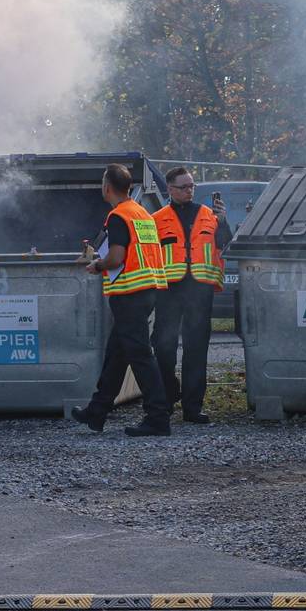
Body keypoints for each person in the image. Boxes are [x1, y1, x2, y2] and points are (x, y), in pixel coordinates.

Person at [73, 163, 173, 436]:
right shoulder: (142, 213)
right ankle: (97, 411)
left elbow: (116, 257)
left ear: (107, 187)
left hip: (129, 293)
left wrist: (97, 265)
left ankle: (158, 417)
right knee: (117, 354)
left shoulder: (118, 216)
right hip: (148, 290)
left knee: (140, 356)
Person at [150, 168, 233, 425]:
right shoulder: (156, 219)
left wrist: (223, 221)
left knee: (196, 349)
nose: (189, 190)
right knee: (163, 347)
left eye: (192, 186)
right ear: (170, 190)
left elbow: (225, 244)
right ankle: (168, 394)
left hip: (200, 290)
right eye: (184, 187)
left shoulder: (210, 216)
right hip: (169, 290)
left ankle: (192, 407)